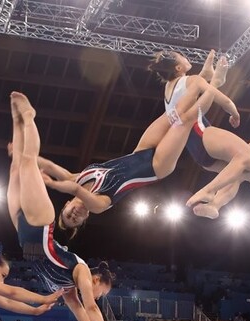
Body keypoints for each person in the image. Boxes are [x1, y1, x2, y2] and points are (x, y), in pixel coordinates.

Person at [38, 51, 234, 225]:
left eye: (69, 214)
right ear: (85, 218)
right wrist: (51, 184)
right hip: (156, 167)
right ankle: (215, 82)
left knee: (175, 112)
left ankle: (203, 79)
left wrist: (27, 158)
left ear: (66, 205)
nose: (76, 215)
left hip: (140, 152)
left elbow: (56, 169)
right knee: (186, 120)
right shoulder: (98, 205)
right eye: (77, 220)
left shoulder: (78, 179)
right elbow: (76, 190)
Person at [143, 52, 250, 219]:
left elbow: (199, 85)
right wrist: (233, 111)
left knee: (249, 174)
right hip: (202, 133)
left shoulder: (168, 89)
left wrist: (211, 72)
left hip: (195, 149)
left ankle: (215, 206)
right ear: (178, 68)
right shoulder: (192, 80)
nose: (185, 57)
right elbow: (220, 97)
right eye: (181, 56)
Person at [7, 92, 114, 321]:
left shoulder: (67, 288)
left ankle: (16, 119)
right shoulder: (83, 272)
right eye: (103, 292)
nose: (99, 296)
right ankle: (29, 115)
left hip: (23, 233)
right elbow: (90, 307)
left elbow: (79, 313)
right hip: (40, 226)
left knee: (15, 168)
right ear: (97, 280)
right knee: (27, 163)